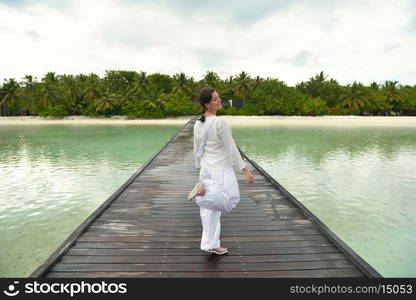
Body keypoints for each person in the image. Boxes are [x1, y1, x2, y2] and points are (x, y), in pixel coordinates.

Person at [188, 87, 254, 255]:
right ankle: (205, 193)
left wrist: (198, 165)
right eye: (215, 100)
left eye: (218, 98)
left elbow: (196, 148)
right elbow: (231, 148)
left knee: (209, 211)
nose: (219, 101)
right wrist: (245, 170)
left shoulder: (198, 123)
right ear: (206, 104)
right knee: (231, 200)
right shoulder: (220, 123)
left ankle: (211, 244)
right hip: (221, 169)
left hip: (206, 169)